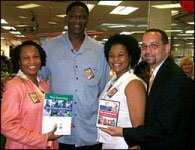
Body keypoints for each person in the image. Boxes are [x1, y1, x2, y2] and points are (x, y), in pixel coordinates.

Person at [101, 29, 193, 149]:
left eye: (154, 45)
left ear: (167, 48)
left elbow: (164, 127)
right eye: (144, 46)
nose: (148, 51)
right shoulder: (156, 75)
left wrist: (123, 132)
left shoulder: (174, 79)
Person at [39, 1, 109, 149]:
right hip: (60, 132)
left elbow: (103, 90)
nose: (78, 21)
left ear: (87, 20)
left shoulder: (100, 51)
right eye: (73, 16)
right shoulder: (48, 48)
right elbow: (39, 83)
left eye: (82, 17)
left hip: (90, 131)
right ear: (66, 19)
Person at [1, 40, 61, 149]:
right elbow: (7, 126)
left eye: (35, 56)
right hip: (22, 146)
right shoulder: (14, 86)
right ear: (19, 62)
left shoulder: (43, 84)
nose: (32, 62)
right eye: (26, 58)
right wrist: (43, 138)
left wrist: (62, 122)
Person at [98, 34, 148, 149]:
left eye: (121, 55)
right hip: (110, 143)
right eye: (112, 55)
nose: (116, 59)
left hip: (124, 144)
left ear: (130, 57)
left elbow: (138, 129)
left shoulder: (133, 84)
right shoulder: (113, 81)